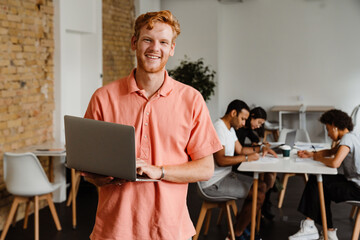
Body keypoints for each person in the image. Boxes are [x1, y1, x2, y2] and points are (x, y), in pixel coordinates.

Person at [81, 10, 223, 240]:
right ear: (134, 43)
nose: (155, 48)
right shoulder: (103, 97)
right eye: (147, 39)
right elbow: (88, 170)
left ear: (172, 49)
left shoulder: (192, 99)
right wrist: (106, 176)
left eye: (163, 42)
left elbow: (205, 169)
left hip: (170, 230)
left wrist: (159, 171)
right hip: (115, 230)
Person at [200, 99, 278, 240]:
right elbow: (221, 160)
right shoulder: (219, 128)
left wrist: (260, 148)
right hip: (213, 183)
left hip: (226, 176)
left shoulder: (229, 129)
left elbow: (240, 149)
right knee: (259, 195)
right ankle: (236, 234)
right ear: (233, 113)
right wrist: (247, 158)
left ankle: (239, 227)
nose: (243, 123)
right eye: (242, 119)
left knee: (262, 186)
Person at [289, 109, 360, 240]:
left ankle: (310, 226)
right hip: (355, 185)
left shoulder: (347, 139)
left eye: (328, 129)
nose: (328, 134)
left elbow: (335, 163)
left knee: (318, 181)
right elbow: (331, 151)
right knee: (320, 182)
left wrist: (316, 158)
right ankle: (328, 231)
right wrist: (311, 155)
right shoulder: (350, 136)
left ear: (334, 126)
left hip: (357, 189)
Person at [235, 106, 277, 221]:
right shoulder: (239, 127)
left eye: (261, 124)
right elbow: (240, 150)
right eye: (258, 122)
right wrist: (259, 148)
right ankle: (259, 208)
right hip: (237, 163)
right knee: (265, 180)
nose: (259, 126)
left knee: (270, 176)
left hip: (242, 159)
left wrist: (261, 145)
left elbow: (255, 140)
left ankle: (260, 207)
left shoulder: (247, 127)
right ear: (251, 117)